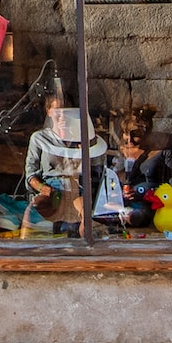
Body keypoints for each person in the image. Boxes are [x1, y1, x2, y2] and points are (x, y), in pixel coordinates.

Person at [23, 85, 106, 233]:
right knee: (36, 209)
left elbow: (96, 170)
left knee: (85, 216)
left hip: (76, 188)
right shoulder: (39, 138)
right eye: (57, 111)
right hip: (52, 189)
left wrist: (84, 156)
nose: (62, 116)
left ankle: (88, 242)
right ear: (48, 112)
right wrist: (42, 188)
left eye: (66, 112)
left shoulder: (83, 138)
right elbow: (31, 173)